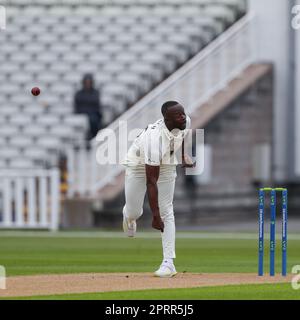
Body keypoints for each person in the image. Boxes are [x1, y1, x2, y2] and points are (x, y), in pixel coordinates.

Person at [122, 101, 195, 278]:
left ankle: (168, 263)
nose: (183, 117)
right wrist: (154, 216)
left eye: (183, 113)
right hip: (139, 164)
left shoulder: (186, 121)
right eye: (178, 115)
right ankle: (128, 217)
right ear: (167, 120)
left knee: (167, 211)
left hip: (168, 163)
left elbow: (183, 135)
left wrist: (183, 155)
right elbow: (151, 181)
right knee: (134, 211)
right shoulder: (154, 140)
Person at [74, 74, 102, 139]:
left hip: (93, 115)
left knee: (93, 120)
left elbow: (95, 105)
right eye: (86, 82)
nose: (88, 84)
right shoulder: (79, 93)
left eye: (89, 82)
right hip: (82, 114)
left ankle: (93, 136)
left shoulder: (95, 93)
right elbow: (77, 106)